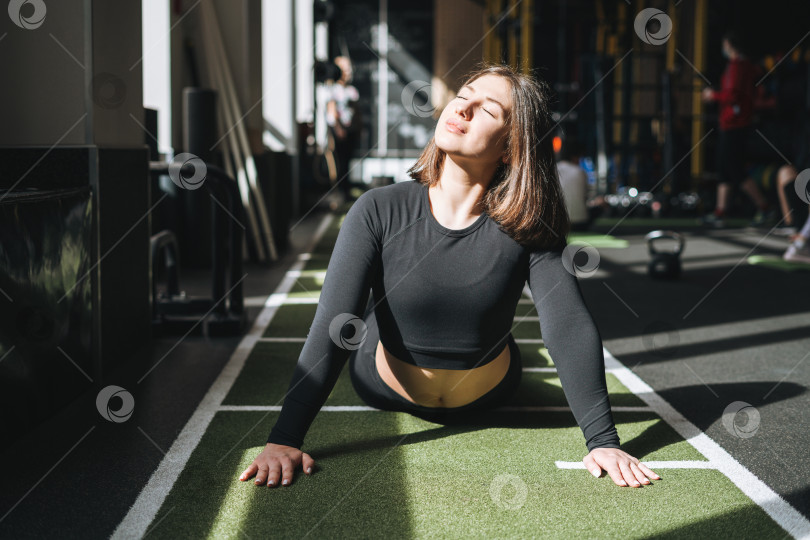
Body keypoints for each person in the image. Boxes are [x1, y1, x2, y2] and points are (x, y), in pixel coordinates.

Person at [239, 63, 660, 489]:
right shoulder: (377, 209)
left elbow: (566, 324)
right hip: (382, 382)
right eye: (463, 96)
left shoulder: (530, 224)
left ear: (511, 148)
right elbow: (335, 324)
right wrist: (284, 438)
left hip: (492, 391)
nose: (463, 108)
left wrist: (602, 440)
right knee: (365, 316)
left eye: (486, 109)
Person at [701, 29, 774, 228]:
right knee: (724, 169)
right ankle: (720, 211)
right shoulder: (745, 66)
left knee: (734, 169)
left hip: (735, 125)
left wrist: (712, 96)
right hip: (734, 124)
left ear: (729, 45)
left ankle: (765, 207)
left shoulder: (737, 66)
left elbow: (732, 95)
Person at [325, 56, 360, 201]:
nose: (348, 71)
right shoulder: (333, 89)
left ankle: (346, 190)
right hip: (339, 132)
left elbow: (356, 112)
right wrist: (338, 129)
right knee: (340, 162)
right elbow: (332, 111)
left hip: (350, 130)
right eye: (344, 68)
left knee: (347, 161)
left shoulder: (351, 90)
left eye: (349, 67)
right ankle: (340, 192)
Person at [555, 139, 591, 230]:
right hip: (580, 221)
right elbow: (585, 196)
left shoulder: (553, 170)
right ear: (575, 156)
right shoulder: (580, 172)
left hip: (558, 223)